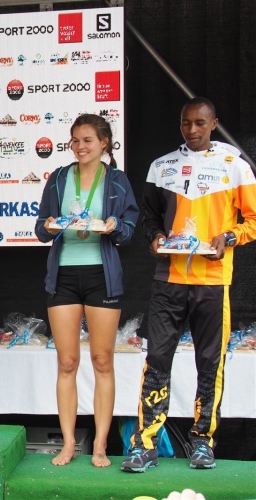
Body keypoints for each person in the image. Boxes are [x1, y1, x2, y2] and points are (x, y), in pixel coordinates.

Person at [122, 97, 256, 472]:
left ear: (214, 123)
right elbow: (150, 217)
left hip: (213, 280)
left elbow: (253, 219)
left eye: (200, 123)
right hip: (170, 278)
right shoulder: (162, 166)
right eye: (186, 123)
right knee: (157, 360)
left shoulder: (234, 165)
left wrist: (228, 238)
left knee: (210, 364)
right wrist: (155, 237)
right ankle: (145, 443)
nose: (192, 130)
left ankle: (202, 441)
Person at [36, 113, 139, 467]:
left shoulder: (117, 180)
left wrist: (114, 225)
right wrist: (50, 227)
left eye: (88, 140)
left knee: (102, 361)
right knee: (67, 362)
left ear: (104, 143)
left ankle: (99, 444)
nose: (80, 147)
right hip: (63, 276)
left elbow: (129, 228)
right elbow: (41, 227)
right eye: (76, 140)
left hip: (102, 276)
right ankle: (68, 444)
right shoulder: (59, 178)